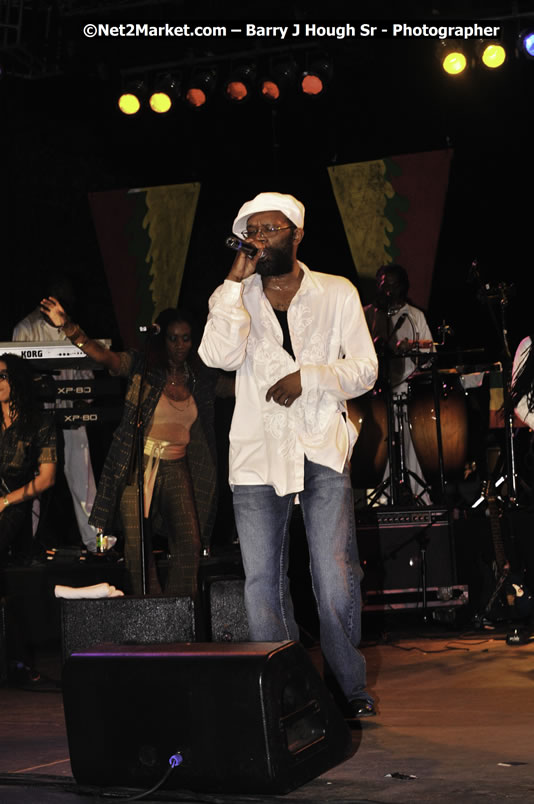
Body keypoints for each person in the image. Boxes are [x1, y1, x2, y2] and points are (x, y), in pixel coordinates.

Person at [199, 192, 378, 718]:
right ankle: (289, 693)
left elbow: (365, 369)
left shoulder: (336, 292)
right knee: (262, 584)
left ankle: (348, 689)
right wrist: (233, 283)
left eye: (270, 230)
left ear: (296, 234)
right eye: (251, 231)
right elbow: (217, 356)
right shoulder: (236, 297)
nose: (259, 239)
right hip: (259, 453)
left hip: (321, 444)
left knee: (335, 573)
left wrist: (311, 378)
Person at [40, 299, 228, 597]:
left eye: (186, 338)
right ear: (162, 340)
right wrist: (69, 327)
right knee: (137, 546)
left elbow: (235, 388)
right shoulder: (144, 367)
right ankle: (148, 606)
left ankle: (178, 608)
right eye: (173, 338)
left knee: (189, 543)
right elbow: (105, 357)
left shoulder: (199, 377)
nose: (180, 345)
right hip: (138, 465)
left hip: (176, 465)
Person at [13, 277, 101, 553]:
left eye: (66, 299)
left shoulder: (73, 329)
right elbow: (16, 379)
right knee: (34, 480)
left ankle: (96, 542)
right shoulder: (26, 329)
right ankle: (24, 543)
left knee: (83, 477)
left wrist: (82, 401)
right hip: (38, 420)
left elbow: (87, 376)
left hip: (70, 417)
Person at [0, 354, 56, 682]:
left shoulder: (39, 422)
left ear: (17, 380)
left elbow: (47, 478)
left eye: (3, 376)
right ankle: (15, 657)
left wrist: (5, 501)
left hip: (13, 503)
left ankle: (18, 658)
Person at [364, 264, 434, 503]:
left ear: (403, 287)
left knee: (411, 446)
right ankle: (380, 500)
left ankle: (420, 497)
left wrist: (411, 349)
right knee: (378, 448)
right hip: (375, 395)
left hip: (406, 392)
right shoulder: (367, 315)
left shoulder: (414, 316)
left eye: (393, 285)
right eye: (384, 285)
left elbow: (429, 357)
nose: (388, 291)